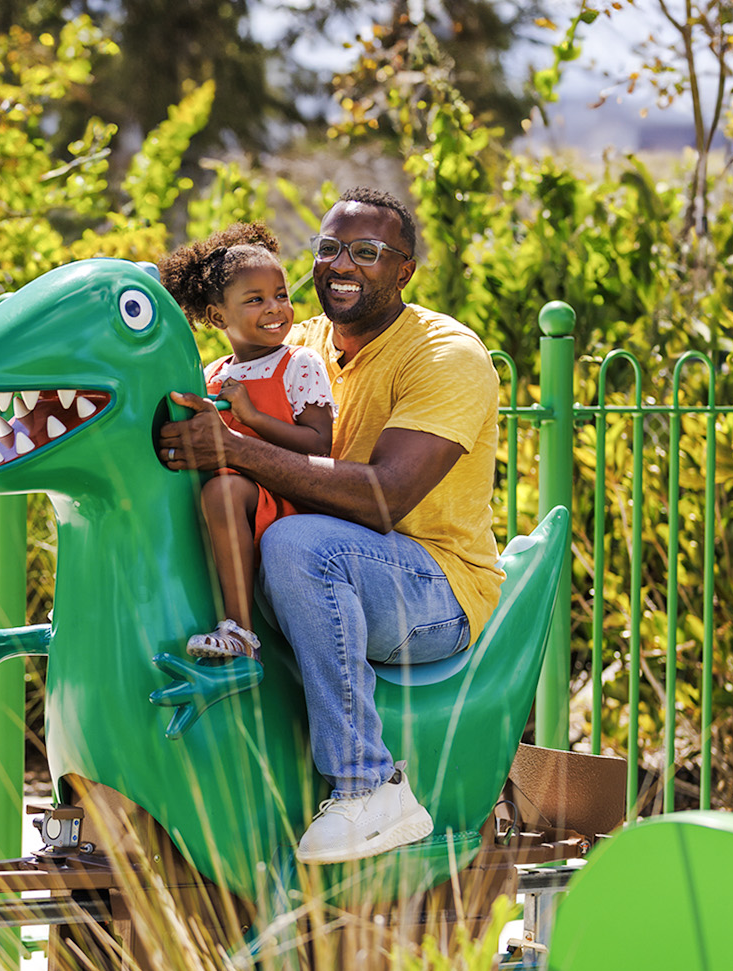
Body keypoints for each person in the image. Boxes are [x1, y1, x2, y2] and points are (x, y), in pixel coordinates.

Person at [157, 188, 503, 864]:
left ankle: (370, 787)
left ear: (405, 269)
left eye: (367, 253)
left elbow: (384, 499)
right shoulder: (298, 343)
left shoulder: (446, 356)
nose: (342, 265)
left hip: (431, 587)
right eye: (329, 249)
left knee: (294, 544)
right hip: (321, 560)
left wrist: (232, 446)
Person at [157, 223, 335, 662]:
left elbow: (319, 445)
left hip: (288, 500)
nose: (275, 309)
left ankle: (239, 631)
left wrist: (251, 418)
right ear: (219, 318)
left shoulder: (300, 364)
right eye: (255, 300)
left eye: (281, 295)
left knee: (221, 491)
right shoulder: (212, 375)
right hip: (234, 505)